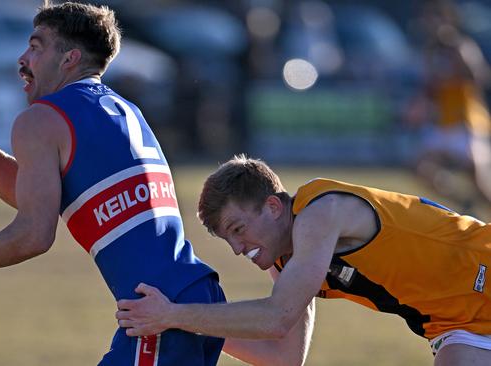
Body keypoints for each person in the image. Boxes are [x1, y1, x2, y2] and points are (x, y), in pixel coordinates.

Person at [0, 2, 227, 365]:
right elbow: (34, 195)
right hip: (199, 295)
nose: (23, 58)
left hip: (157, 309)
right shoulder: (124, 109)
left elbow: (34, 233)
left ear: (69, 58)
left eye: (36, 46)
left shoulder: (42, 118)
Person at [116, 155, 491, 366]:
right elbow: (284, 358)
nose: (236, 248)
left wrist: (174, 314)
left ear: (274, 206)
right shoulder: (288, 263)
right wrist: (186, 326)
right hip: (457, 326)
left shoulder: (320, 212)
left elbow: (276, 318)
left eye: (237, 228)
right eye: (227, 238)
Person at [405, 0, 491, 218]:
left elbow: (477, 77)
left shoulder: (460, 46)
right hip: (442, 123)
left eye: (435, 19)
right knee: (422, 168)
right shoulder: (430, 51)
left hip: (467, 122)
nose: (430, 25)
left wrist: (457, 61)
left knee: (480, 183)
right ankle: (463, 202)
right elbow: (429, 88)